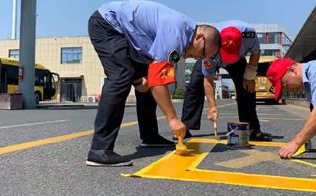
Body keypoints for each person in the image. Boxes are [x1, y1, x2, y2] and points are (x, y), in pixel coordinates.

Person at [87, 1, 221, 166]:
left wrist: (142, 79)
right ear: (200, 38)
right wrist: (173, 119)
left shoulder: (185, 36)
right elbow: (160, 82)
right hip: (108, 25)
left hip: (130, 38)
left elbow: (157, 76)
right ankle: (99, 150)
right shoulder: (176, 34)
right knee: (120, 77)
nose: (198, 58)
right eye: (202, 53)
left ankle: (149, 136)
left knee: (149, 78)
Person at [181, 21, 272, 141]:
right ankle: (184, 128)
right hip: (213, 57)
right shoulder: (209, 46)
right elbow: (208, 81)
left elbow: (256, 52)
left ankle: (252, 130)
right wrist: (212, 107)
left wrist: (250, 75)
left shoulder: (248, 34)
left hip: (237, 60)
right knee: (194, 85)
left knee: (247, 88)